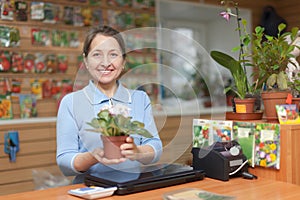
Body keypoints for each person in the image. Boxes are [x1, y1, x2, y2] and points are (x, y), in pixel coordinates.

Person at [56, 25, 162, 184]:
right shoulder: (71, 102)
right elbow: (64, 162)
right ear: (85, 60)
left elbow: (155, 146)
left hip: (132, 189)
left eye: (113, 54)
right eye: (97, 54)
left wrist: (137, 151)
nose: (106, 63)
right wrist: (93, 157)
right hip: (90, 190)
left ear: (124, 61)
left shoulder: (140, 99)